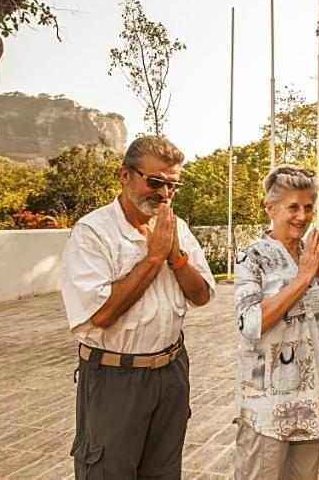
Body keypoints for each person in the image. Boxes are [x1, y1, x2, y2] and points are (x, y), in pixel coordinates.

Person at [60, 135, 216, 479]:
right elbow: (100, 314)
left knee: (163, 472)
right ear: (125, 175)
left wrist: (175, 255)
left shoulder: (177, 229)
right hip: (116, 377)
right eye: (155, 181)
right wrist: (154, 256)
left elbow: (202, 294)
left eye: (172, 185)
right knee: (107, 471)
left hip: (172, 372)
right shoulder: (93, 233)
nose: (163, 193)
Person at [232, 164, 319, 480]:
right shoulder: (252, 257)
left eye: (308, 207)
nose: (302, 216)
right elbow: (251, 323)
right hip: (268, 401)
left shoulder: (317, 254)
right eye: (293, 207)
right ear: (270, 207)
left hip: (314, 397)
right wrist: (302, 278)